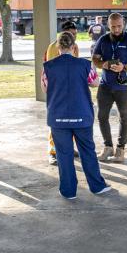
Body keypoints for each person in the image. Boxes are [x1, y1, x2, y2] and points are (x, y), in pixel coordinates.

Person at [42, 31, 111, 199]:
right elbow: (95, 83)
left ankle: (68, 191)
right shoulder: (84, 65)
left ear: (58, 47)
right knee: (87, 151)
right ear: (74, 47)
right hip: (81, 115)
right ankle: (97, 186)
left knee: (63, 154)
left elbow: (45, 89)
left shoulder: (47, 67)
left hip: (58, 117)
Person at [92, 13, 127, 164]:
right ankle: (107, 146)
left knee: (124, 116)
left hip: (124, 86)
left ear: (123, 25)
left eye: (119, 26)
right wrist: (104, 64)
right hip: (105, 86)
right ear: (108, 25)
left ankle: (120, 149)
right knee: (102, 116)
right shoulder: (103, 40)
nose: (116, 29)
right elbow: (95, 59)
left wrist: (124, 67)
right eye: (113, 26)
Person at [45, 21, 80, 165]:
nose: (74, 37)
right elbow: (51, 69)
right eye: (72, 34)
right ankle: (53, 152)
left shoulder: (75, 47)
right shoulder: (54, 46)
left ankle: (68, 148)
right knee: (57, 123)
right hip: (58, 92)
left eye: (76, 34)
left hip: (71, 91)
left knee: (71, 121)